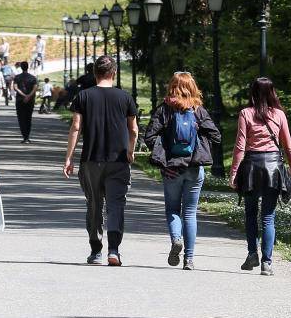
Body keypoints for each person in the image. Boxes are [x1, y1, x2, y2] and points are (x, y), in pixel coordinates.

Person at [144, 72, 223, 270]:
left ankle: (176, 239)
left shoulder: (165, 110)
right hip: (194, 169)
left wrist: (165, 162)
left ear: (172, 86)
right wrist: (198, 137)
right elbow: (216, 136)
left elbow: (150, 137)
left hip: (172, 169)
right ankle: (189, 259)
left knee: (172, 209)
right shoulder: (199, 110)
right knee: (190, 212)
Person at [63, 55, 136, 266]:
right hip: (119, 160)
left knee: (94, 204)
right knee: (116, 205)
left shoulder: (83, 96)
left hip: (91, 160)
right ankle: (114, 250)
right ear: (113, 73)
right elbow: (133, 129)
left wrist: (69, 157)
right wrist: (130, 151)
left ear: (95, 73)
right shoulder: (125, 98)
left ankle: (96, 251)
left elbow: (76, 127)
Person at [227, 76, 291, 276]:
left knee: (250, 214)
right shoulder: (280, 115)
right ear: (272, 92)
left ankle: (252, 254)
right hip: (273, 167)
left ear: (253, 93)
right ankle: (267, 262)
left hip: (250, 167)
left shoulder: (245, 113)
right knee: (268, 216)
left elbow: (240, 146)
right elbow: (288, 146)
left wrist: (233, 172)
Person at [12, 60, 40, 142]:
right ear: (28, 67)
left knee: (21, 118)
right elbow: (35, 88)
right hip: (30, 100)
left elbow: (15, 87)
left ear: (21, 67)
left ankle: (24, 136)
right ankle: (27, 136)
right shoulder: (33, 78)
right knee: (28, 118)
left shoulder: (17, 77)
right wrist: (29, 95)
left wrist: (23, 95)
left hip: (20, 100)